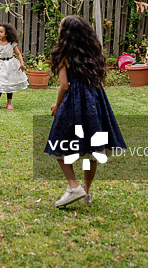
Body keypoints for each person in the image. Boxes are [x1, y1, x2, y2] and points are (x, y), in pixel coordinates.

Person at [45, 16, 126, 208]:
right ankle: (86, 192)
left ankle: (74, 187)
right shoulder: (93, 53)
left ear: (66, 33)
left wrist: (57, 105)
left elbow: (64, 85)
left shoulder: (63, 55)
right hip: (95, 101)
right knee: (92, 149)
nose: (58, 28)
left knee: (58, 143)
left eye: (60, 26)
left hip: (74, 102)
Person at [0, 23, 28, 110]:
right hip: (1, 66)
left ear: (7, 34)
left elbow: (18, 54)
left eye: (1, 32)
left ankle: (9, 103)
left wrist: (22, 63)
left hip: (11, 65)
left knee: (10, 84)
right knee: (0, 84)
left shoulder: (12, 44)